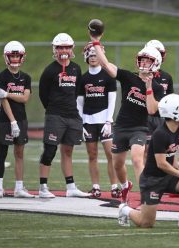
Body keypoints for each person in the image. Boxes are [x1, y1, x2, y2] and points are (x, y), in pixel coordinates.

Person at [89, 32, 164, 203]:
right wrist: (96, 42)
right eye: (142, 59)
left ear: (156, 63)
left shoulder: (158, 88)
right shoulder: (129, 77)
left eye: (148, 60)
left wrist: (149, 86)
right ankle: (124, 185)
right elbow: (106, 65)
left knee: (137, 159)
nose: (143, 63)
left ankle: (145, 196)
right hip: (121, 127)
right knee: (117, 164)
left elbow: (152, 110)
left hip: (139, 128)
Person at [118, 94, 179, 228]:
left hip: (169, 177)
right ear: (173, 112)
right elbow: (161, 164)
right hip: (153, 180)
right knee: (146, 223)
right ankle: (124, 209)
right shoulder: (160, 134)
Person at [38, 33, 90, 198]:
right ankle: (43, 187)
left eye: (67, 47)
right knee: (50, 150)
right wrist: (54, 109)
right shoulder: (50, 70)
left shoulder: (76, 68)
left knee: (68, 150)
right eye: (60, 47)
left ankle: (71, 187)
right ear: (55, 49)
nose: (64, 50)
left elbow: (76, 92)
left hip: (72, 115)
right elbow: (43, 94)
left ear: (72, 48)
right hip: (55, 115)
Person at [77, 44, 121, 198]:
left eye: (96, 55)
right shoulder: (83, 78)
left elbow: (112, 100)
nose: (93, 57)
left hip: (104, 121)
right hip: (88, 121)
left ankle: (114, 186)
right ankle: (95, 187)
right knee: (92, 154)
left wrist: (109, 121)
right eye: (91, 55)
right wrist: (81, 122)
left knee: (111, 154)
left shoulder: (108, 76)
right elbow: (80, 103)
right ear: (86, 57)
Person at [0, 41, 34, 198]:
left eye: (17, 55)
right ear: (6, 57)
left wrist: (8, 94)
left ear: (22, 57)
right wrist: (12, 121)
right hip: (5, 120)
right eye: (12, 55)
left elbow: (24, 98)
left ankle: (19, 187)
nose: (15, 58)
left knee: (19, 153)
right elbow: (3, 102)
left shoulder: (26, 77)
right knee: (2, 153)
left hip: (21, 118)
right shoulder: (2, 76)